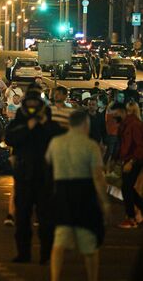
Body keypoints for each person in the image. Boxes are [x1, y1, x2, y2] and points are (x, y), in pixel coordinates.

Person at [46, 110, 110, 281]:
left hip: (61, 193)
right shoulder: (90, 145)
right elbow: (97, 176)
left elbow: (48, 167)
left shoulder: (56, 143)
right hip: (84, 195)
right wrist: (105, 202)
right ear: (85, 124)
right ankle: (92, 278)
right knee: (90, 245)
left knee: (59, 242)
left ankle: (55, 277)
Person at [5, 90, 64, 264]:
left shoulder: (49, 122)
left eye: (35, 104)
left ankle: (46, 254)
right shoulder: (20, 121)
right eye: (29, 104)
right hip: (24, 177)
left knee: (46, 219)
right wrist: (27, 127)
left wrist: (44, 124)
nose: (32, 108)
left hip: (45, 177)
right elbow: (10, 137)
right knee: (22, 218)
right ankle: (23, 253)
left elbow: (58, 137)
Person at [111, 102, 143, 229]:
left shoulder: (134, 125)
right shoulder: (125, 125)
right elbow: (122, 144)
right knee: (128, 188)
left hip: (134, 160)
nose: (113, 116)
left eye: (115, 114)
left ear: (122, 112)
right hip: (129, 160)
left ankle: (131, 218)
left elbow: (140, 146)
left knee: (126, 188)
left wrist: (131, 162)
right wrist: (116, 159)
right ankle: (132, 216)